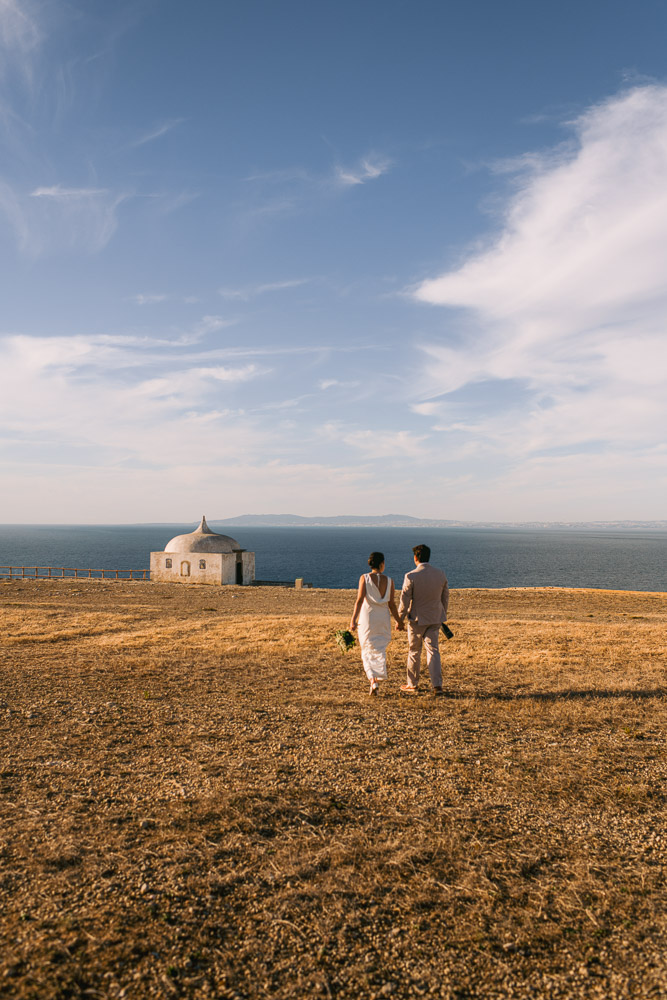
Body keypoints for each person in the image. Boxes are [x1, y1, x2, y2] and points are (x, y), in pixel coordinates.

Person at [396, 543, 449, 696]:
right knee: (433, 651)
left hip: (417, 620)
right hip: (435, 618)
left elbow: (404, 601)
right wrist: (442, 613)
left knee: (414, 651)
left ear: (415, 558)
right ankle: (437, 686)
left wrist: (400, 619)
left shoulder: (410, 576)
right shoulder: (440, 574)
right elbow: (445, 597)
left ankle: (412, 683)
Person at [349, 552, 402, 696]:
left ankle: (373, 680)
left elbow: (359, 600)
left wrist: (353, 620)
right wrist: (399, 621)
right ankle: (376, 677)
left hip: (368, 618)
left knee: (366, 649)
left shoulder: (364, 578)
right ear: (382, 564)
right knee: (379, 648)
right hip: (382, 618)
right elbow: (391, 604)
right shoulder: (389, 580)